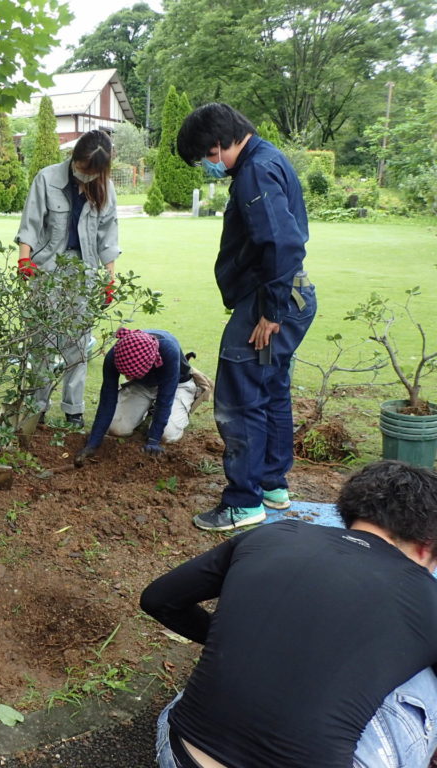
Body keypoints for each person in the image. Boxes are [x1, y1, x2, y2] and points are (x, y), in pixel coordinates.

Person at [142, 460, 437, 768]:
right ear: (426, 544)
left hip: (181, 754)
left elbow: (159, 599)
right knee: (423, 676)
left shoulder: (273, 534)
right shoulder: (427, 594)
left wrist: (235, 639)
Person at [176, 103, 316, 532]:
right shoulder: (268, 159)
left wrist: (270, 312)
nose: (206, 166)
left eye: (205, 158)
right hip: (288, 296)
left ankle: (243, 502)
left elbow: (284, 243)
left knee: (239, 399)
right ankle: (272, 486)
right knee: (271, 391)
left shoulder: (255, 171)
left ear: (218, 145)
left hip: (269, 302)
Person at [15, 129, 120, 427]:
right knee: (42, 341)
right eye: (83, 168)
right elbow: (31, 224)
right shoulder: (46, 179)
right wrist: (24, 259)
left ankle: (74, 410)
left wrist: (109, 279)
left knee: (78, 343)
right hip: (46, 270)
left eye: (93, 171)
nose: (85, 175)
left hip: (84, 273)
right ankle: (39, 407)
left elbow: (108, 236)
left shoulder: (105, 188)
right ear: (74, 159)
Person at [73, 328, 211, 467]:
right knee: (117, 429)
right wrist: (93, 442)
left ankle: (179, 407)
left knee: (167, 435)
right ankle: (148, 408)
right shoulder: (115, 354)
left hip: (176, 385)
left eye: (130, 374)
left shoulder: (169, 351)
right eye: (124, 374)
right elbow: (107, 398)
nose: (126, 378)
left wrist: (153, 440)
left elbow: (165, 399)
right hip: (143, 384)